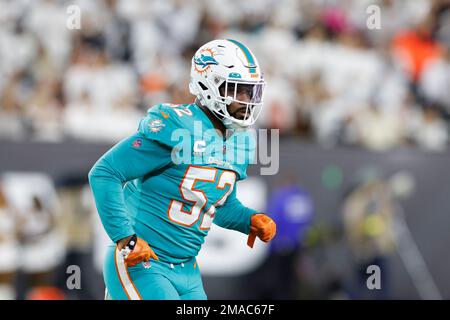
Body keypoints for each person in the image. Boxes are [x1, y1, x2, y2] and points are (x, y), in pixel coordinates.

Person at [88, 39, 276, 300]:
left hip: (187, 270)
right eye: (238, 90)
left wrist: (248, 219)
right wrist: (125, 238)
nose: (246, 100)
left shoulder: (241, 140)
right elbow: (106, 172)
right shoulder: (178, 126)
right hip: (143, 262)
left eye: (251, 91)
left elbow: (216, 204)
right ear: (209, 85)